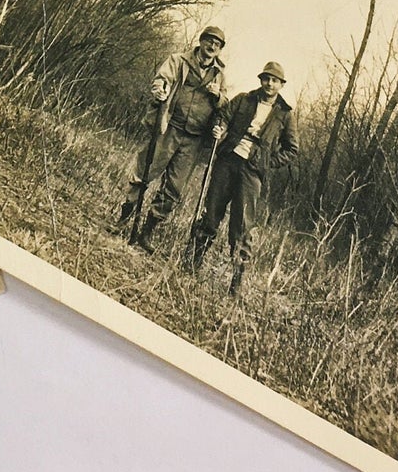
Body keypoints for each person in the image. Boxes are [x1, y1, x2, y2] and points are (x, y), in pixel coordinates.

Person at [188, 61, 297, 292]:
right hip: (228, 160)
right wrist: (219, 127)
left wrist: (267, 163)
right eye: (266, 78)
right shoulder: (244, 99)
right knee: (211, 212)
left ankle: (236, 281)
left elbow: (291, 149)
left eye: (275, 80)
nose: (270, 84)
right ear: (261, 80)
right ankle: (193, 262)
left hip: (253, 171)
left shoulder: (285, 115)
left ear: (281, 85)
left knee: (243, 225)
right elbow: (223, 116)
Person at [118, 26, 227, 252]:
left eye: (217, 44)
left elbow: (224, 106)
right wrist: (160, 90)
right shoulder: (179, 61)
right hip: (169, 128)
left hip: (194, 140)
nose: (212, 47)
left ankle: (146, 233)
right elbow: (162, 80)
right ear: (201, 41)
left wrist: (219, 97)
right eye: (209, 41)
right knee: (144, 173)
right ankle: (124, 219)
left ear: (219, 50)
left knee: (174, 189)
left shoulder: (219, 75)